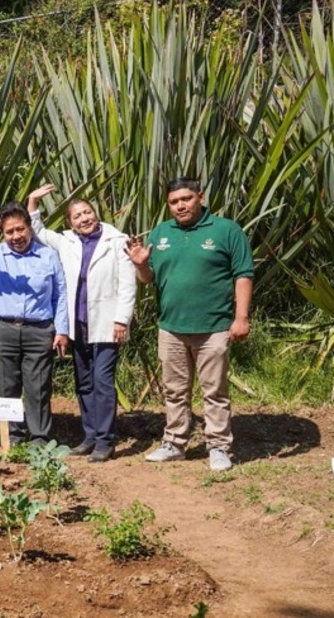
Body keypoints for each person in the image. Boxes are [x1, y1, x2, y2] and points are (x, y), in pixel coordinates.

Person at [126, 178, 253, 472]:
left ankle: (218, 447)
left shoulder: (226, 230)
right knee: (174, 391)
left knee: (215, 392)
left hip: (214, 327)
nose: (180, 206)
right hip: (171, 327)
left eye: (186, 199)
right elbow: (148, 278)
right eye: (174, 202)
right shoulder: (161, 233)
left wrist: (241, 317)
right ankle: (174, 443)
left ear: (200, 197)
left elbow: (243, 274)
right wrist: (141, 264)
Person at [27, 185, 136, 462]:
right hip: (78, 324)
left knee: (102, 381)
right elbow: (38, 231)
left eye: (87, 212)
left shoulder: (117, 240)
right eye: (77, 216)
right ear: (70, 222)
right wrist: (33, 201)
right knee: (84, 382)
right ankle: (89, 436)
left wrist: (122, 319)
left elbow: (128, 284)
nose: (84, 218)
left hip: (107, 323)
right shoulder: (67, 242)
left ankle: (105, 440)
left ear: (95, 213)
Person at [0, 202, 69, 446]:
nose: (16, 236)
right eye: (9, 232)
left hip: (39, 331)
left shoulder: (48, 256)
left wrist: (62, 330)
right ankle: (13, 436)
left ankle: (39, 437)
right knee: (7, 386)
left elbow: (60, 295)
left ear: (29, 228)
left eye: (20, 229)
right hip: (2, 330)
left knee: (39, 387)